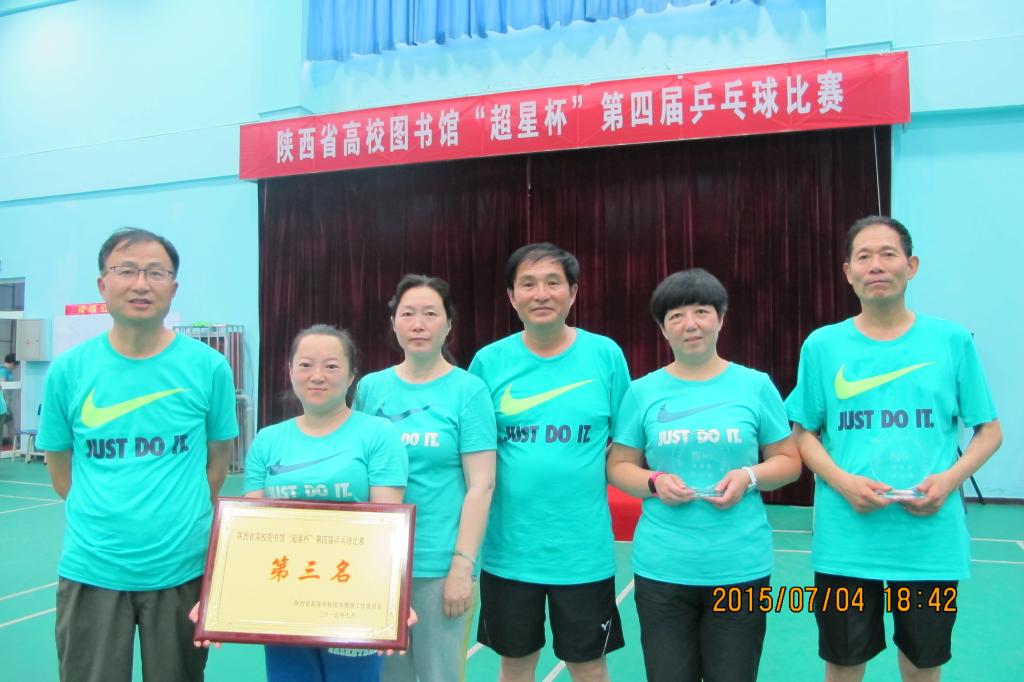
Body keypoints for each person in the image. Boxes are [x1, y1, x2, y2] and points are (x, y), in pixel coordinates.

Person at [785, 216, 1002, 682]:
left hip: (930, 540)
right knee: (843, 665)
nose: (876, 265)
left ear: (912, 265)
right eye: (863, 257)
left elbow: (989, 430)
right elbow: (803, 433)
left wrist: (949, 480)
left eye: (888, 254)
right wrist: (843, 483)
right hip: (846, 539)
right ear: (848, 272)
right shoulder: (822, 346)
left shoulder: (951, 341)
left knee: (923, 665)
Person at [37, 227, 239, 682]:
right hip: (92, 568)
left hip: (181, 570)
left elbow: (217, 462)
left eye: (155, 272)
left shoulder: (209, 367)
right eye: (126, 271)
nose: (141, 284)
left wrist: (177, 513)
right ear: (102, 284)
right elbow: (60, 471)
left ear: (174, 287)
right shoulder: (69, 370)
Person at [606, 269, 802, 682]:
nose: (690, 324)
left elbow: (788, 460)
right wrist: (654, 483)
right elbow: (618, 465)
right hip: (662, 568)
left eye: (701, 312)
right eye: (676, 316)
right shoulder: (642, 392)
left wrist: (748, 476)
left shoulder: (755, 386)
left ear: (721, 319)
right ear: (663, 328)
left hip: (740, 567)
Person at [468, 243, 630, 682]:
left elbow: (626, 442)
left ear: (573, 293)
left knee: (589, 666)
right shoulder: (488, 362)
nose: (541, 293)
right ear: (512, 296)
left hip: (583, 553)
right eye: (528, 284)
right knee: (515, 663)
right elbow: (473, 450)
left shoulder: (605, 355)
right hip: (508, 552)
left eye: (553, 282)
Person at [242, 324, 409, 682]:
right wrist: (221, 600)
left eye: (331, 366)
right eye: (305, 365)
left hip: (353, 599)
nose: (317, 376)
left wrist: (390, 598)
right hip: (283, 599)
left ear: (351, 375)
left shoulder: (378, 435)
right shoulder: (267, 440)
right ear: (290, 370)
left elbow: (387, 528)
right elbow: (249, 534)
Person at [354, 275, 496, 682]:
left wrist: (461, 567)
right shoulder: (370, 388)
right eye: (408, 314)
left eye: (430, 314)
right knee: (385, 676)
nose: (418, 324)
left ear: (448, 324)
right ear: (393, 322)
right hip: (380, 564)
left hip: (439, 565)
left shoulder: (468, 391)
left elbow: (481, 485)